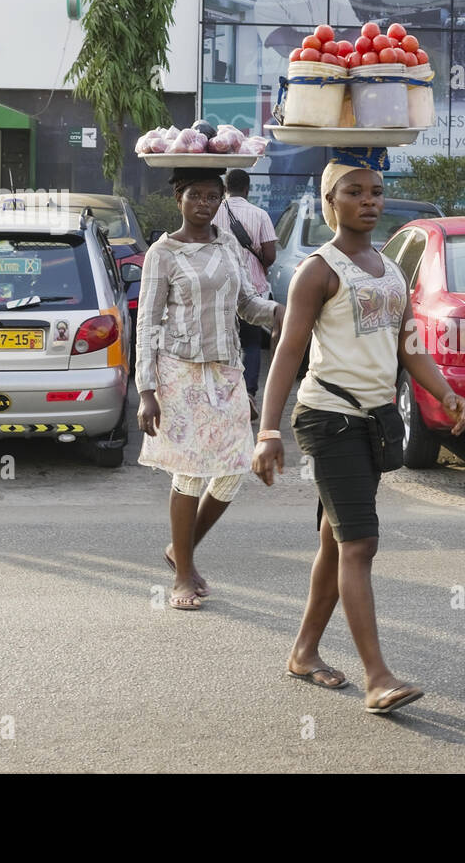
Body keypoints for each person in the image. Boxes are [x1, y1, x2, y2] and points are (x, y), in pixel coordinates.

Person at [252, 150, 465, 716]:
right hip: (329, 419)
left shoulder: (390, 268)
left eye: (376, 191)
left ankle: (303, 652)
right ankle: (378, 677)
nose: (369, 201)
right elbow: (288, 352)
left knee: (335, 539)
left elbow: (407, 345)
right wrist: (267, 430)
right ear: (330, 204)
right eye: (355, 192)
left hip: (375, 422)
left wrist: (444, 391)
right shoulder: (318, 270)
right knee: (360, 542)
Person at [136, 168, 284, 611]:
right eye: (195, 195)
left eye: (212, 196)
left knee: (234, 469)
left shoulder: (228, 246)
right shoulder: (162, 254)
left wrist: (284, 313)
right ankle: (183, 573)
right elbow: (146, 323)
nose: (204, 203)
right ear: (178, 199)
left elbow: (246, 304)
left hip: (226, 373)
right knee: (191, 471)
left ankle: (178, 548)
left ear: (222, 199)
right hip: (180, 373)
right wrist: (146, 390)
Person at [254, 0, 361, 224]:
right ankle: (272, 260)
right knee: (283, 200)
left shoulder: (337, 0)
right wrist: (329, 39)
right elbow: (285, 41)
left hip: (335, 116)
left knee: (337, 200)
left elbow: (355, 40)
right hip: (294, 115)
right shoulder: (269, 1)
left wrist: (324, 42)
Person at [212, 168, 277, 403]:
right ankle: (248, 392)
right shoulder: (259, 214)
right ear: (247, 189)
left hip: (219, 289)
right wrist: (256, 254)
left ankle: (223, 393)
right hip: (253, 290)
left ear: (224, 189)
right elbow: (269, 256)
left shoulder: (212, 212)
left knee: (221, 341)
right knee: (250, 343)